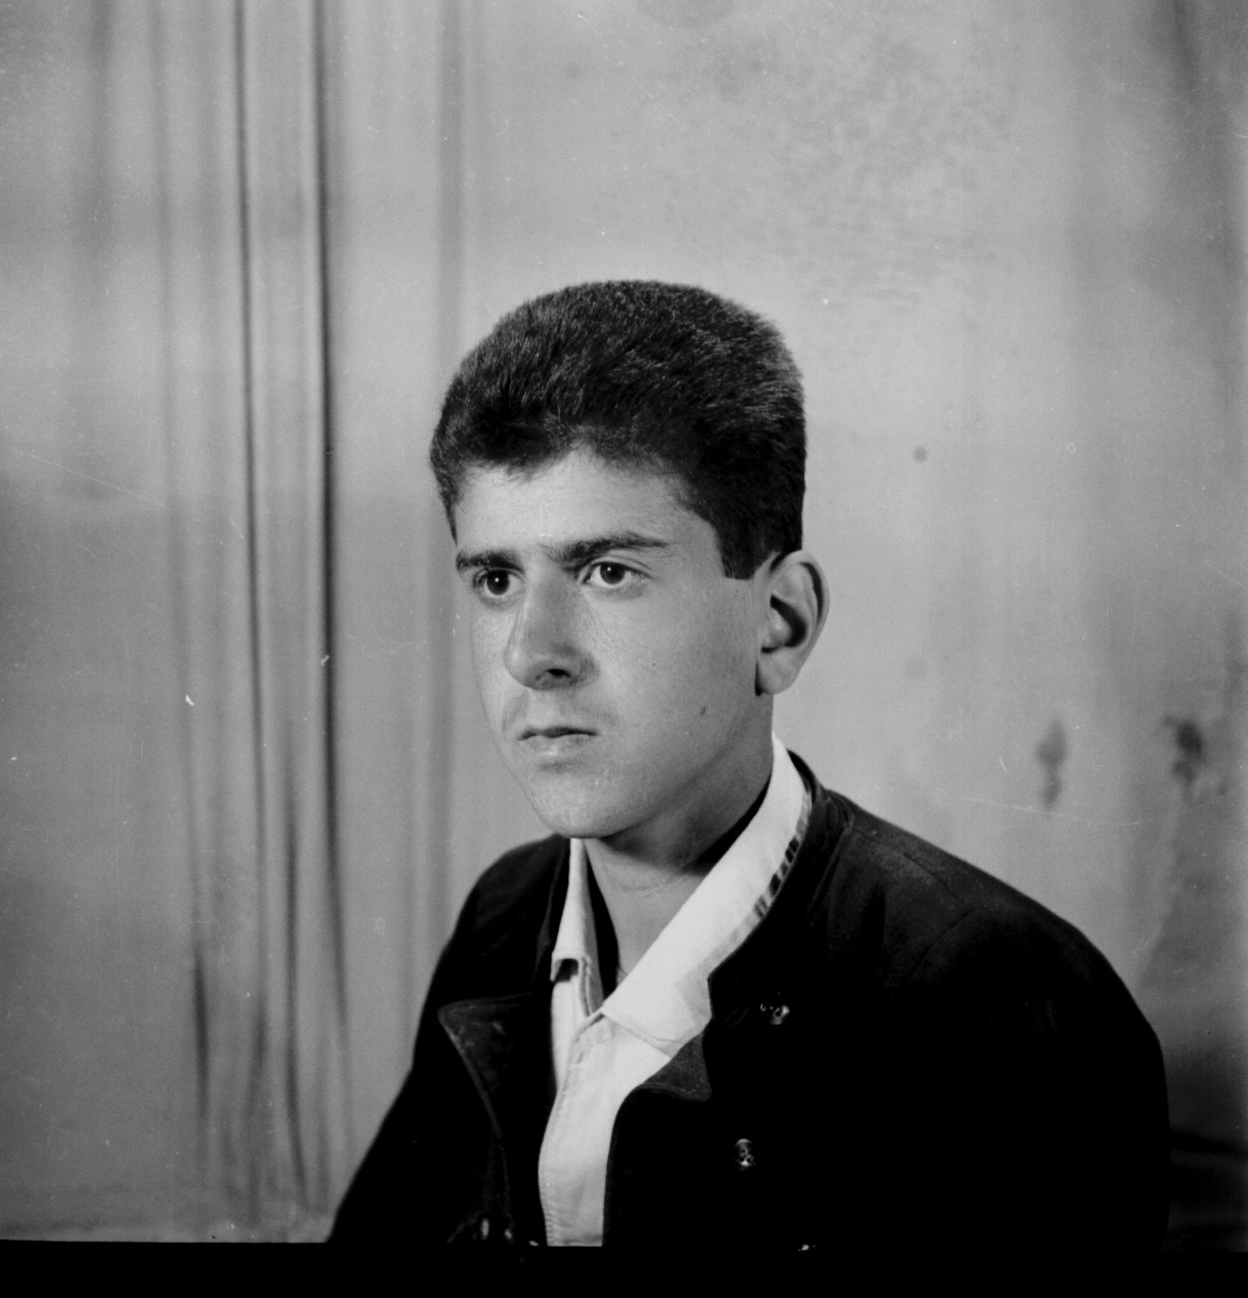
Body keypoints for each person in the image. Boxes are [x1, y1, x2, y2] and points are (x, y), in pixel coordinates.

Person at [331, 281, 1169, 1251]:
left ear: (779, 623)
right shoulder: (507, 916)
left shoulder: (998, 999)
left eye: (609, 572)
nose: (530, 652)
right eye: (496, 578)